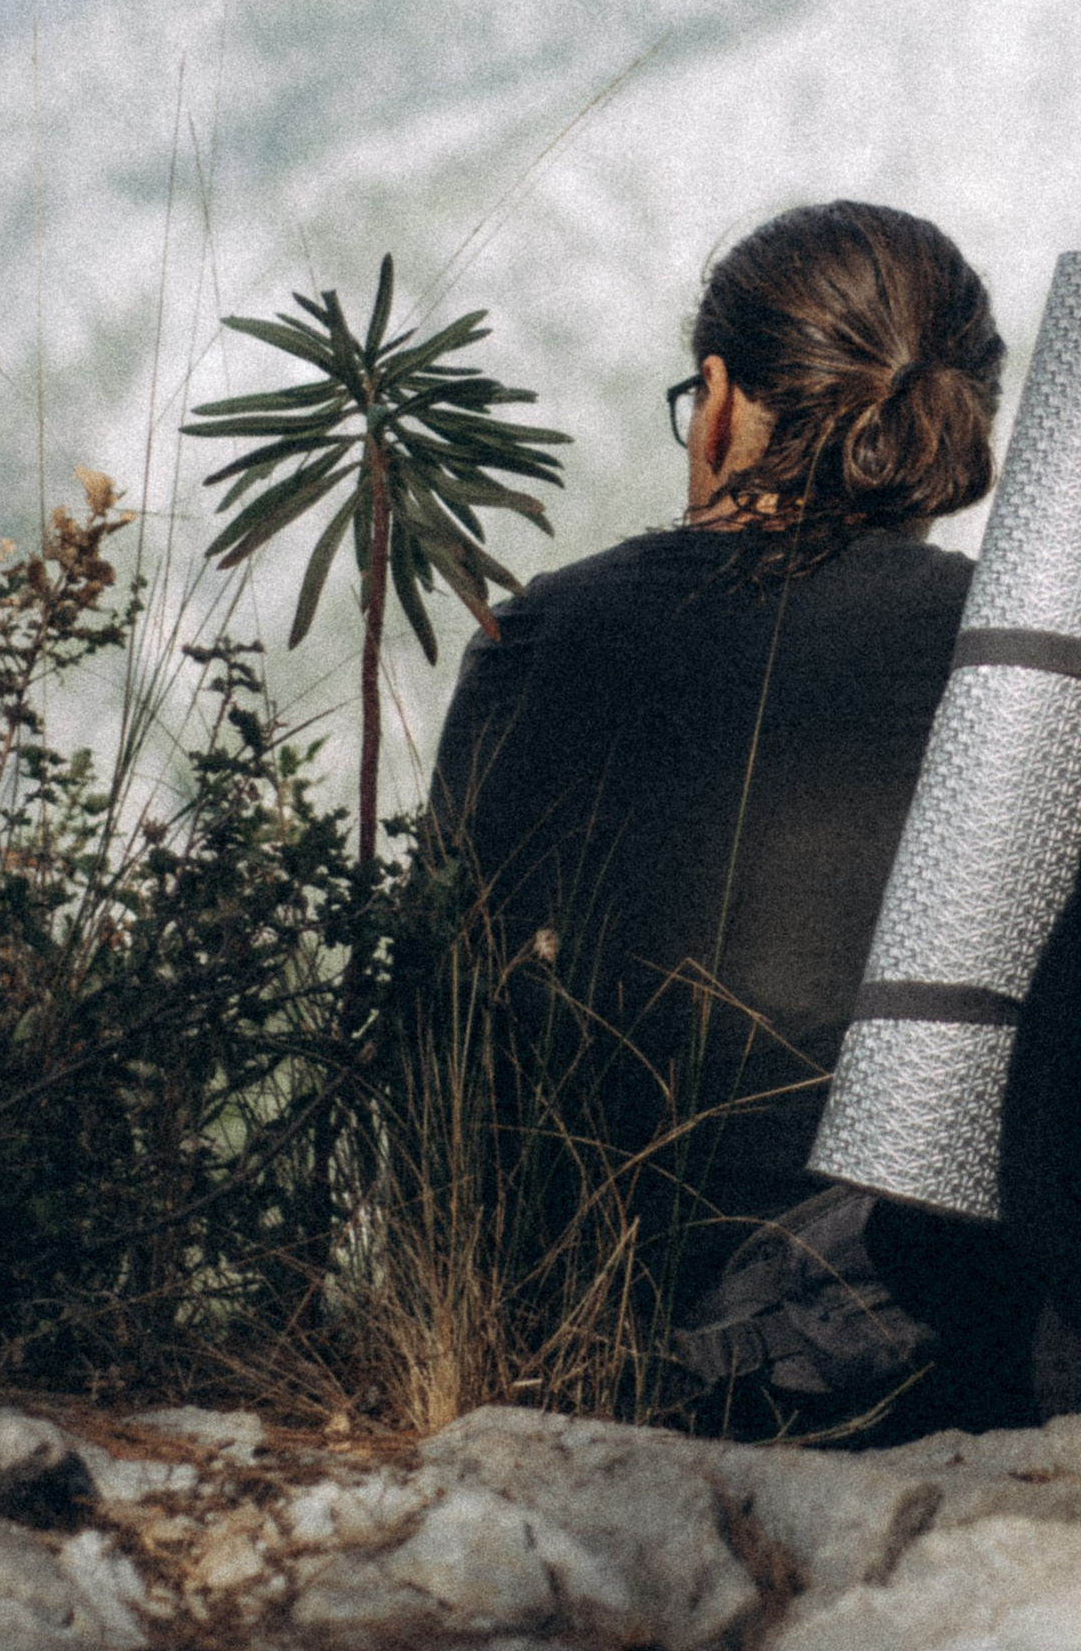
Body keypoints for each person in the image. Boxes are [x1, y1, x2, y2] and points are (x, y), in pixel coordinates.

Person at [425, 199, 1028, 1428]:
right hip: (929, 1347)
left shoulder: (544, 632)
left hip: (586, 1351)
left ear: (715, 401)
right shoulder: (1019, 663)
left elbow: (444, 1011)